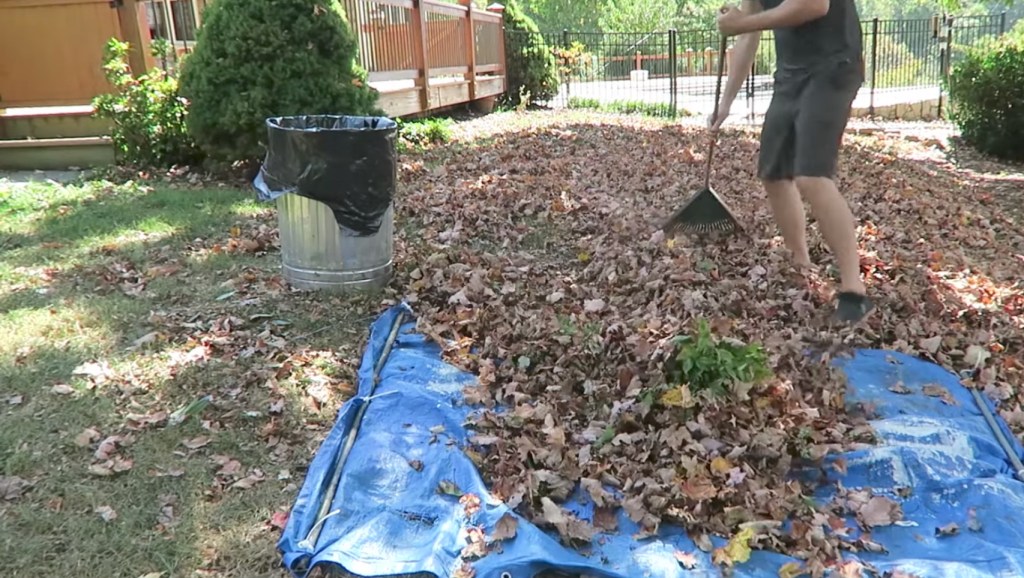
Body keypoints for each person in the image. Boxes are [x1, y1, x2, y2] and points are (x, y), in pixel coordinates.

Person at [711, 0, 874, 324]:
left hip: (834, 64)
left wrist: (741, 24)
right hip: (792, 72)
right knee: (773, 172)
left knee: (811, 175)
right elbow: (748, 34)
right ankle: (801, 266)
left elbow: (813, 6)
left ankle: (854, 291)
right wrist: (725, 103)